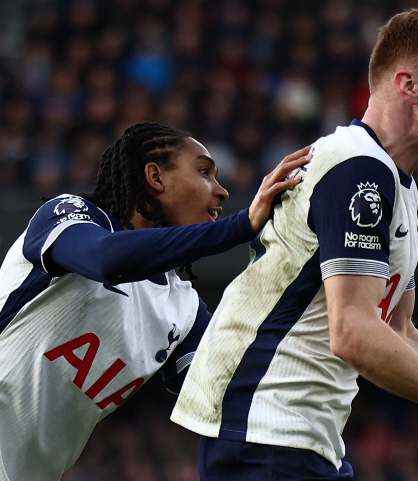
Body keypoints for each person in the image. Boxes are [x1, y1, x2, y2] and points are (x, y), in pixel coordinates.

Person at [171, 9, 418, 481]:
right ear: (408, 85)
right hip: (265, 433)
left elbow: (398, 330)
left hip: (296, 439)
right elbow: (353, 331)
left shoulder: (394, 181)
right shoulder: (357, 168)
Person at [0, 121, 310, 481]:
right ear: (155, 177)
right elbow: (106, 260)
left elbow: (235, 387)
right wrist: (239, 227)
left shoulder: (183, 309)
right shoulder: (71, 214)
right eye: (204, 172)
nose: (222, 191)